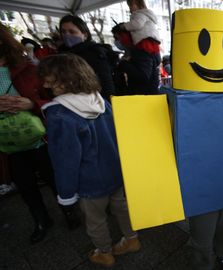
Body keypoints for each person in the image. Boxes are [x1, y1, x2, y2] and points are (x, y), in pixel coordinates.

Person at [39, 54, 141, 267]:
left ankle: (104, 252)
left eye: (50, 81)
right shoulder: (100, 100)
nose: (45, 85)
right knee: (123, 208)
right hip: (115, 171)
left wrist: (66, 194)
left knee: (96, 220)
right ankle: (132, 239)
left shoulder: (59, 115)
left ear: (66, 80)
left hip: (89, 181)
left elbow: (65, 161)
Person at [0, 23, 71, 244]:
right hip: (7, 142)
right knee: (25, 185)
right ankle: (41, 220)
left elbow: (55, 99)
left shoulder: (28, 67)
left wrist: (31, 103)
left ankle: (68, 211)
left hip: (40, 138)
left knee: (53, 177)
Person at [58, 15, 117, 100]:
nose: (67, 35)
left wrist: (109, 106)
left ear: (85, 35)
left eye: (72, 32)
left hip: (93, 102)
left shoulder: (95, 53)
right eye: (63, 32)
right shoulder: (61, 53)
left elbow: (106, 83)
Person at [111, 23, 160, 95]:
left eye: (117, 38)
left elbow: (144, 76)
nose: (116, 42)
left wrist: (124, 64)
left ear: (125, 36)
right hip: (144, 95)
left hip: (145, 97)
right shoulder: (136, 51)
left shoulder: (141, 50)